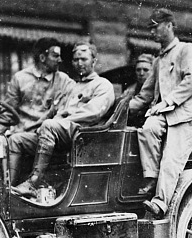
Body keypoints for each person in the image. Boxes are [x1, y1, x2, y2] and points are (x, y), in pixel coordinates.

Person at [129, 8, 192, 218]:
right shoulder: (158, 60)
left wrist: (166, 102)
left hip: (187, 115)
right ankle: (151, 177)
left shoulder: (187, 49)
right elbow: (145, 94)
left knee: (171, 159)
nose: (152, 32)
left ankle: (160, 202)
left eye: (156, 27)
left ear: (170, 26)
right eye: (151, 28)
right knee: (147, 128)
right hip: (166, 116)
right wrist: (120, 109)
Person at [12, 42, 115, 198]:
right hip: (59, 133)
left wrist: (58, 122)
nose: (79, 64)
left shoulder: (102, 85)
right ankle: (10, 188)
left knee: (49, 126)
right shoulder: (72, 86)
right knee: (16, 139)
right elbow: (55, 111)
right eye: (75, 60)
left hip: (83, 134)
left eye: (84, 59)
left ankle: (33, 182)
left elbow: (93, 113)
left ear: (94, 61)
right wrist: (35, 127)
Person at [4, 37, 75, 185]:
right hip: (22, 134)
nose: (60, 60)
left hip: (45, 137)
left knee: (14, 141)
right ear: (42, 57)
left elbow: (68, 108)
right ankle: (7, 186)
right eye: (55, 56)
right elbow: (7, 112)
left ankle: (10, 189)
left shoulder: (64, 81)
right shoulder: (20, 78)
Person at [125, 54, 155, 128]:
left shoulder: (157, 89)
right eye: (138, 70)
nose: (141, 73)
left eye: (145, 70)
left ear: (153, 71)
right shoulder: (130, 90)